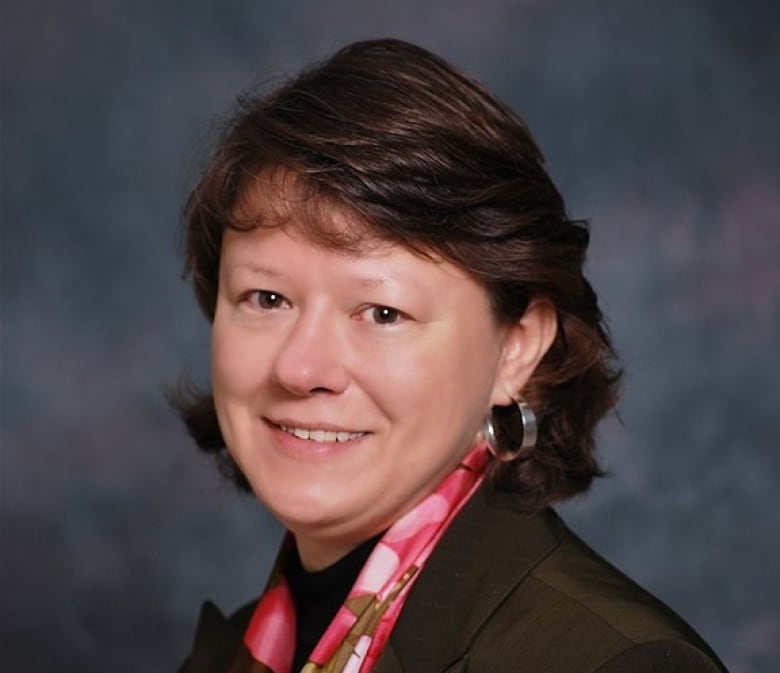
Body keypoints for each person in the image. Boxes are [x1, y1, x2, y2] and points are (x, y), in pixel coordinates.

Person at [173, 38, 727, 673]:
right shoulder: (236, 654)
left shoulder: (617, 662)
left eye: (382, 313)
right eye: (267, 298)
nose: (301, 369)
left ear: (516, 350)